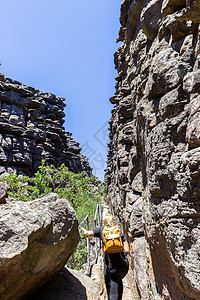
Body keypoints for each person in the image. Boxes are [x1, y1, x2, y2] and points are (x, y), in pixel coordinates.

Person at [81, 213, 129, 300]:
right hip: (123, 265)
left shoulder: (101, 230)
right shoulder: (118, 230)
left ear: (104, 222)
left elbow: (87, 233)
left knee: (112, 291)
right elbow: (127, 250)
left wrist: (82, 229)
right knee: (118, 280)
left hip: (111, 267)